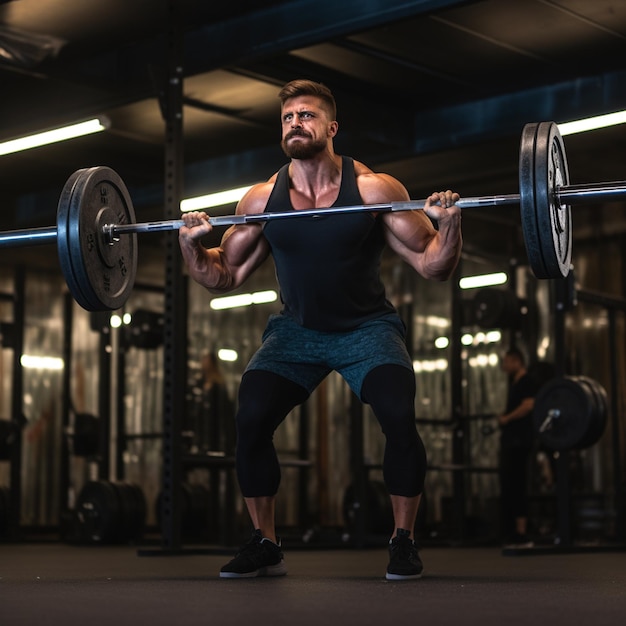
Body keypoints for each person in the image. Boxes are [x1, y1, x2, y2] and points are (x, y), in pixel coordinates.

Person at [178, 79, 462, 580]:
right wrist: (191, 245)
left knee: (397, 414)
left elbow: (431, 263)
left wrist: (451, 223)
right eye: (288, 118)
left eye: (306, 116)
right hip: (297, 333)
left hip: (366, 328)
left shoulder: (374, 190)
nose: (295, 124)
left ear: (331, 127)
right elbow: (222, 275)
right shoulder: (262, 200)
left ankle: (402, 539)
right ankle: (265, 542)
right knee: (250, 418)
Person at [497, 347, 536, 547]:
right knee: (510, 483)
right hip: (512, 440)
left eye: (506, 361)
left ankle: (521, 532)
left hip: (520, 440)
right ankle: (513, 530)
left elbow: (529, 405)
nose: (504, 366)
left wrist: (506, 418)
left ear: (516, 361)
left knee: (518, 483)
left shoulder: (526, 381)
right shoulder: (515, 383)